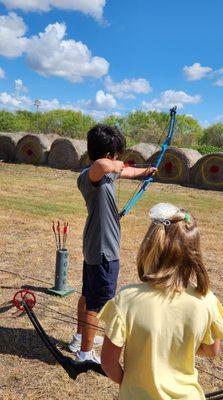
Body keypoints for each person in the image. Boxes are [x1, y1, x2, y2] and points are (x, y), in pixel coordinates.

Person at [99, 203, 223, 400]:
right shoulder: (207, 300)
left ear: (150, 247)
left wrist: (128, 383)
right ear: (194, 252)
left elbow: (108, 362)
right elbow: (211, 350)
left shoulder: (127, 299)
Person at [68, 124, 156, 364]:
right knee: (96, 303)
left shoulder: (104, 173)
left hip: (96, 246)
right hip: (103, 250)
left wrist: (146, 171)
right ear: (109, 155)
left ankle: (79, 337)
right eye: (117, 155)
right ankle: (85, 354)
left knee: (88, 295)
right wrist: (117, 164)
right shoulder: (90, 175)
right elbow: (103, 166)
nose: (119, 161)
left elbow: (123, 173)